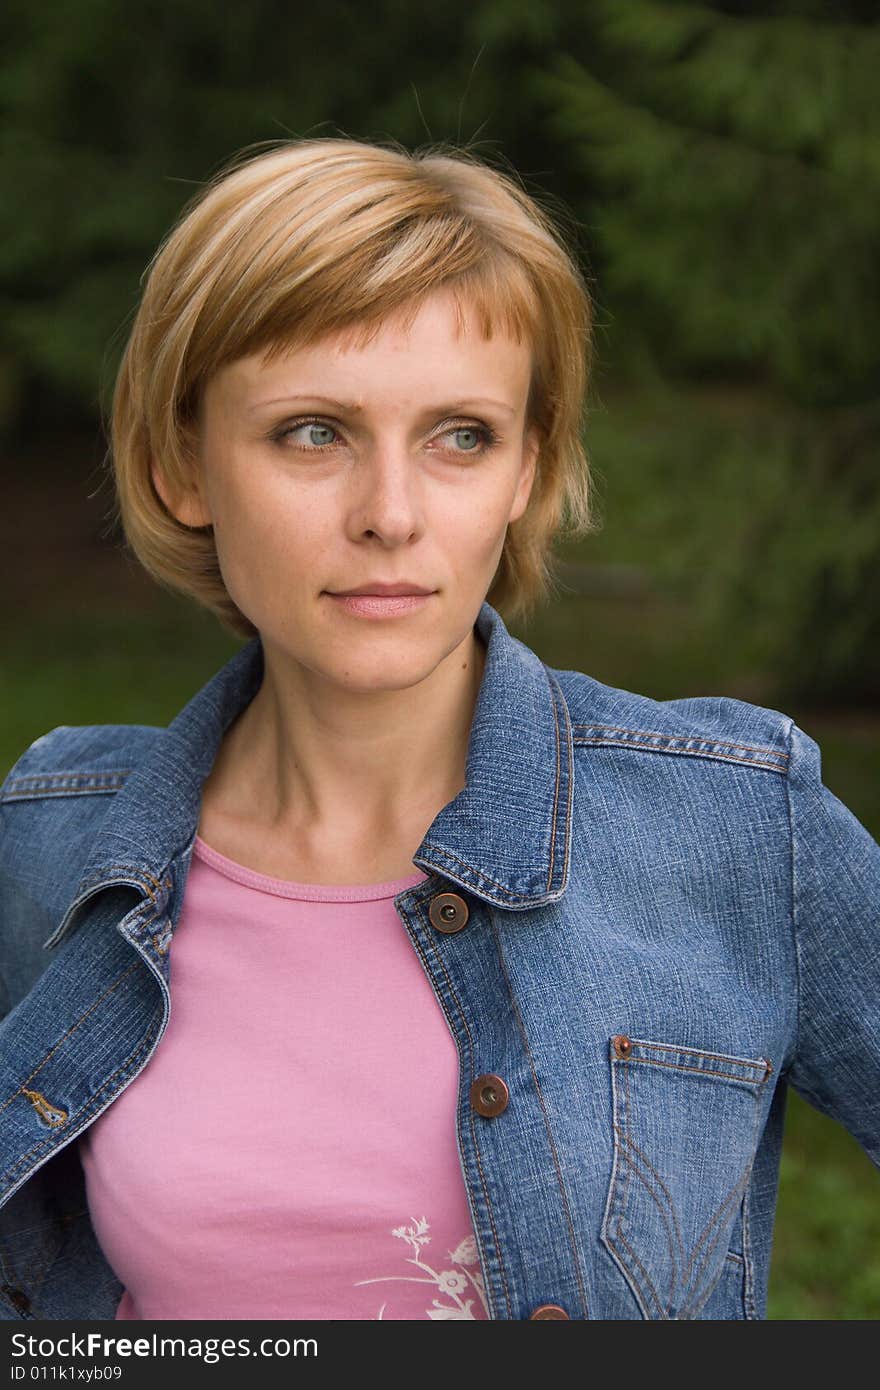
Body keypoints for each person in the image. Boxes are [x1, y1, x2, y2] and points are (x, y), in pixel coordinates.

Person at [0, 136, 877, 1324]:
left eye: (460, 434)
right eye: (312, 431)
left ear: (527, 467)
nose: (391, 516)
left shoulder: (735, 825)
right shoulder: (49, 839)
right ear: (179, 465)